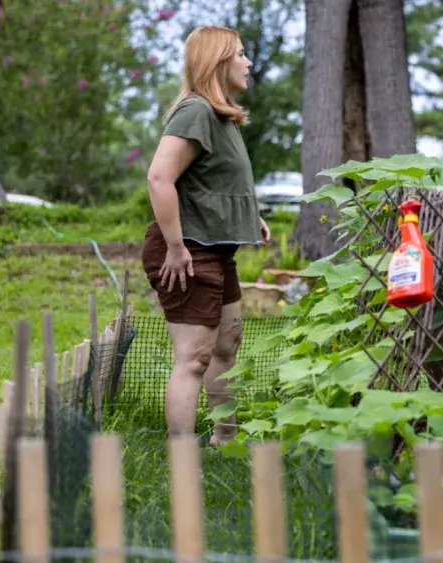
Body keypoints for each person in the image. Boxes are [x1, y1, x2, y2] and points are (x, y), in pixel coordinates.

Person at [141, 25, 270, 446]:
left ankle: (225, 439)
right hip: (188, 249)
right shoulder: (195, 111)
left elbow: (214, 182)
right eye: (240, 54)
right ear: (217, 61)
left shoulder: (220, 116)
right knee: (193, 358)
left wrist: (249, 218)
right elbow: (159, 178)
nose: (248, 62)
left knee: (226, 345)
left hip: (214, 247)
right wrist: (176, 247)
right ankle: (181, 456)